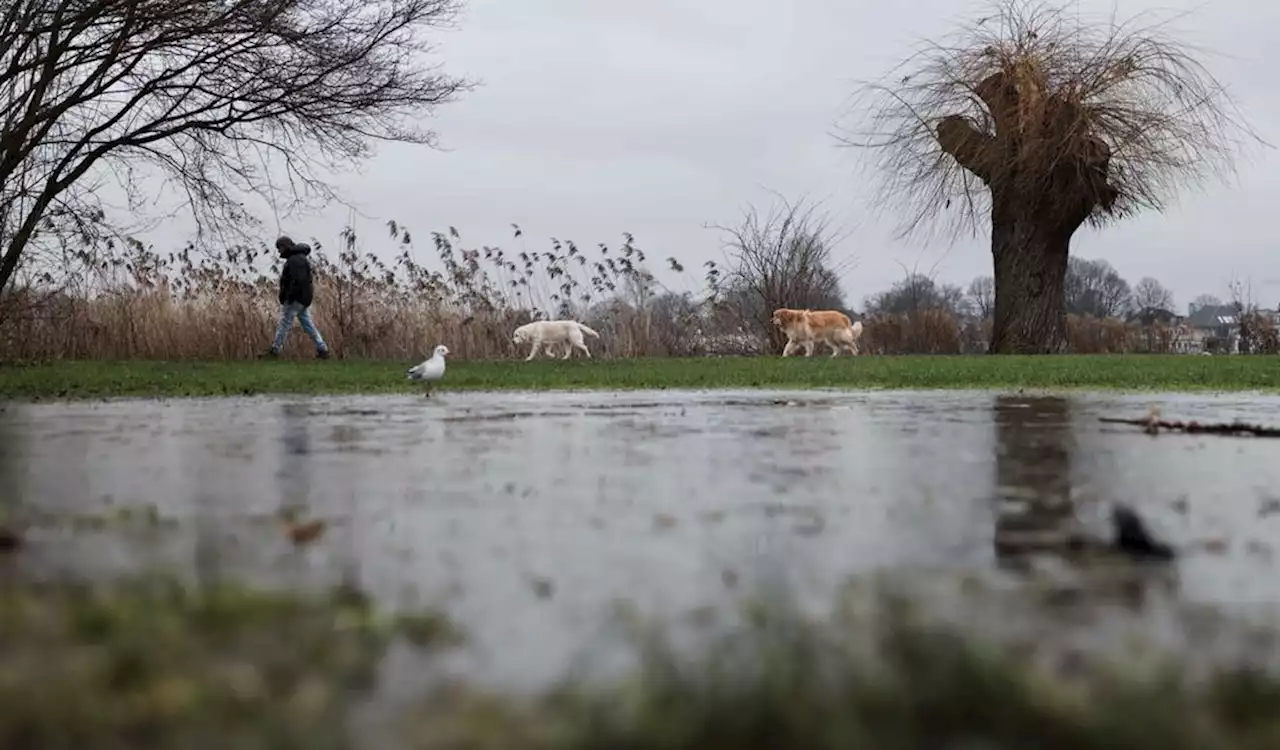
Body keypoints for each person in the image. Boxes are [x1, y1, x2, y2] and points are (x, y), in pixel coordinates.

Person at [265, 235, 331, 359]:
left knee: (284, 323)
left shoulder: (295, 260)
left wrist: (289, 296)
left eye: (280, 248)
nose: (279, 251)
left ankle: (275, 350)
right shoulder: (300, 258)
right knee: (308, 324)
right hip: (303, 299)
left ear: (285, 246)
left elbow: (296, 280)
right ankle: (322, 349)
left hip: (295, 298)